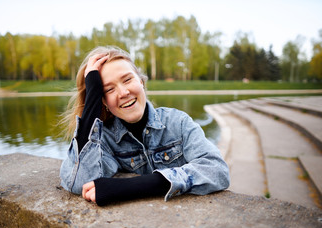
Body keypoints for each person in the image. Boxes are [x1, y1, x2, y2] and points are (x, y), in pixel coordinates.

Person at [59, 46, 230, 206]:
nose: (124, 93)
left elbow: (218, 171)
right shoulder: (106, 139)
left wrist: (128, 188)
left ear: (141, 81)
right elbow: (78, 182)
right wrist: (92, 101)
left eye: (127, 79)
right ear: (103, 101)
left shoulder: (178, 122)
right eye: (108, 90)